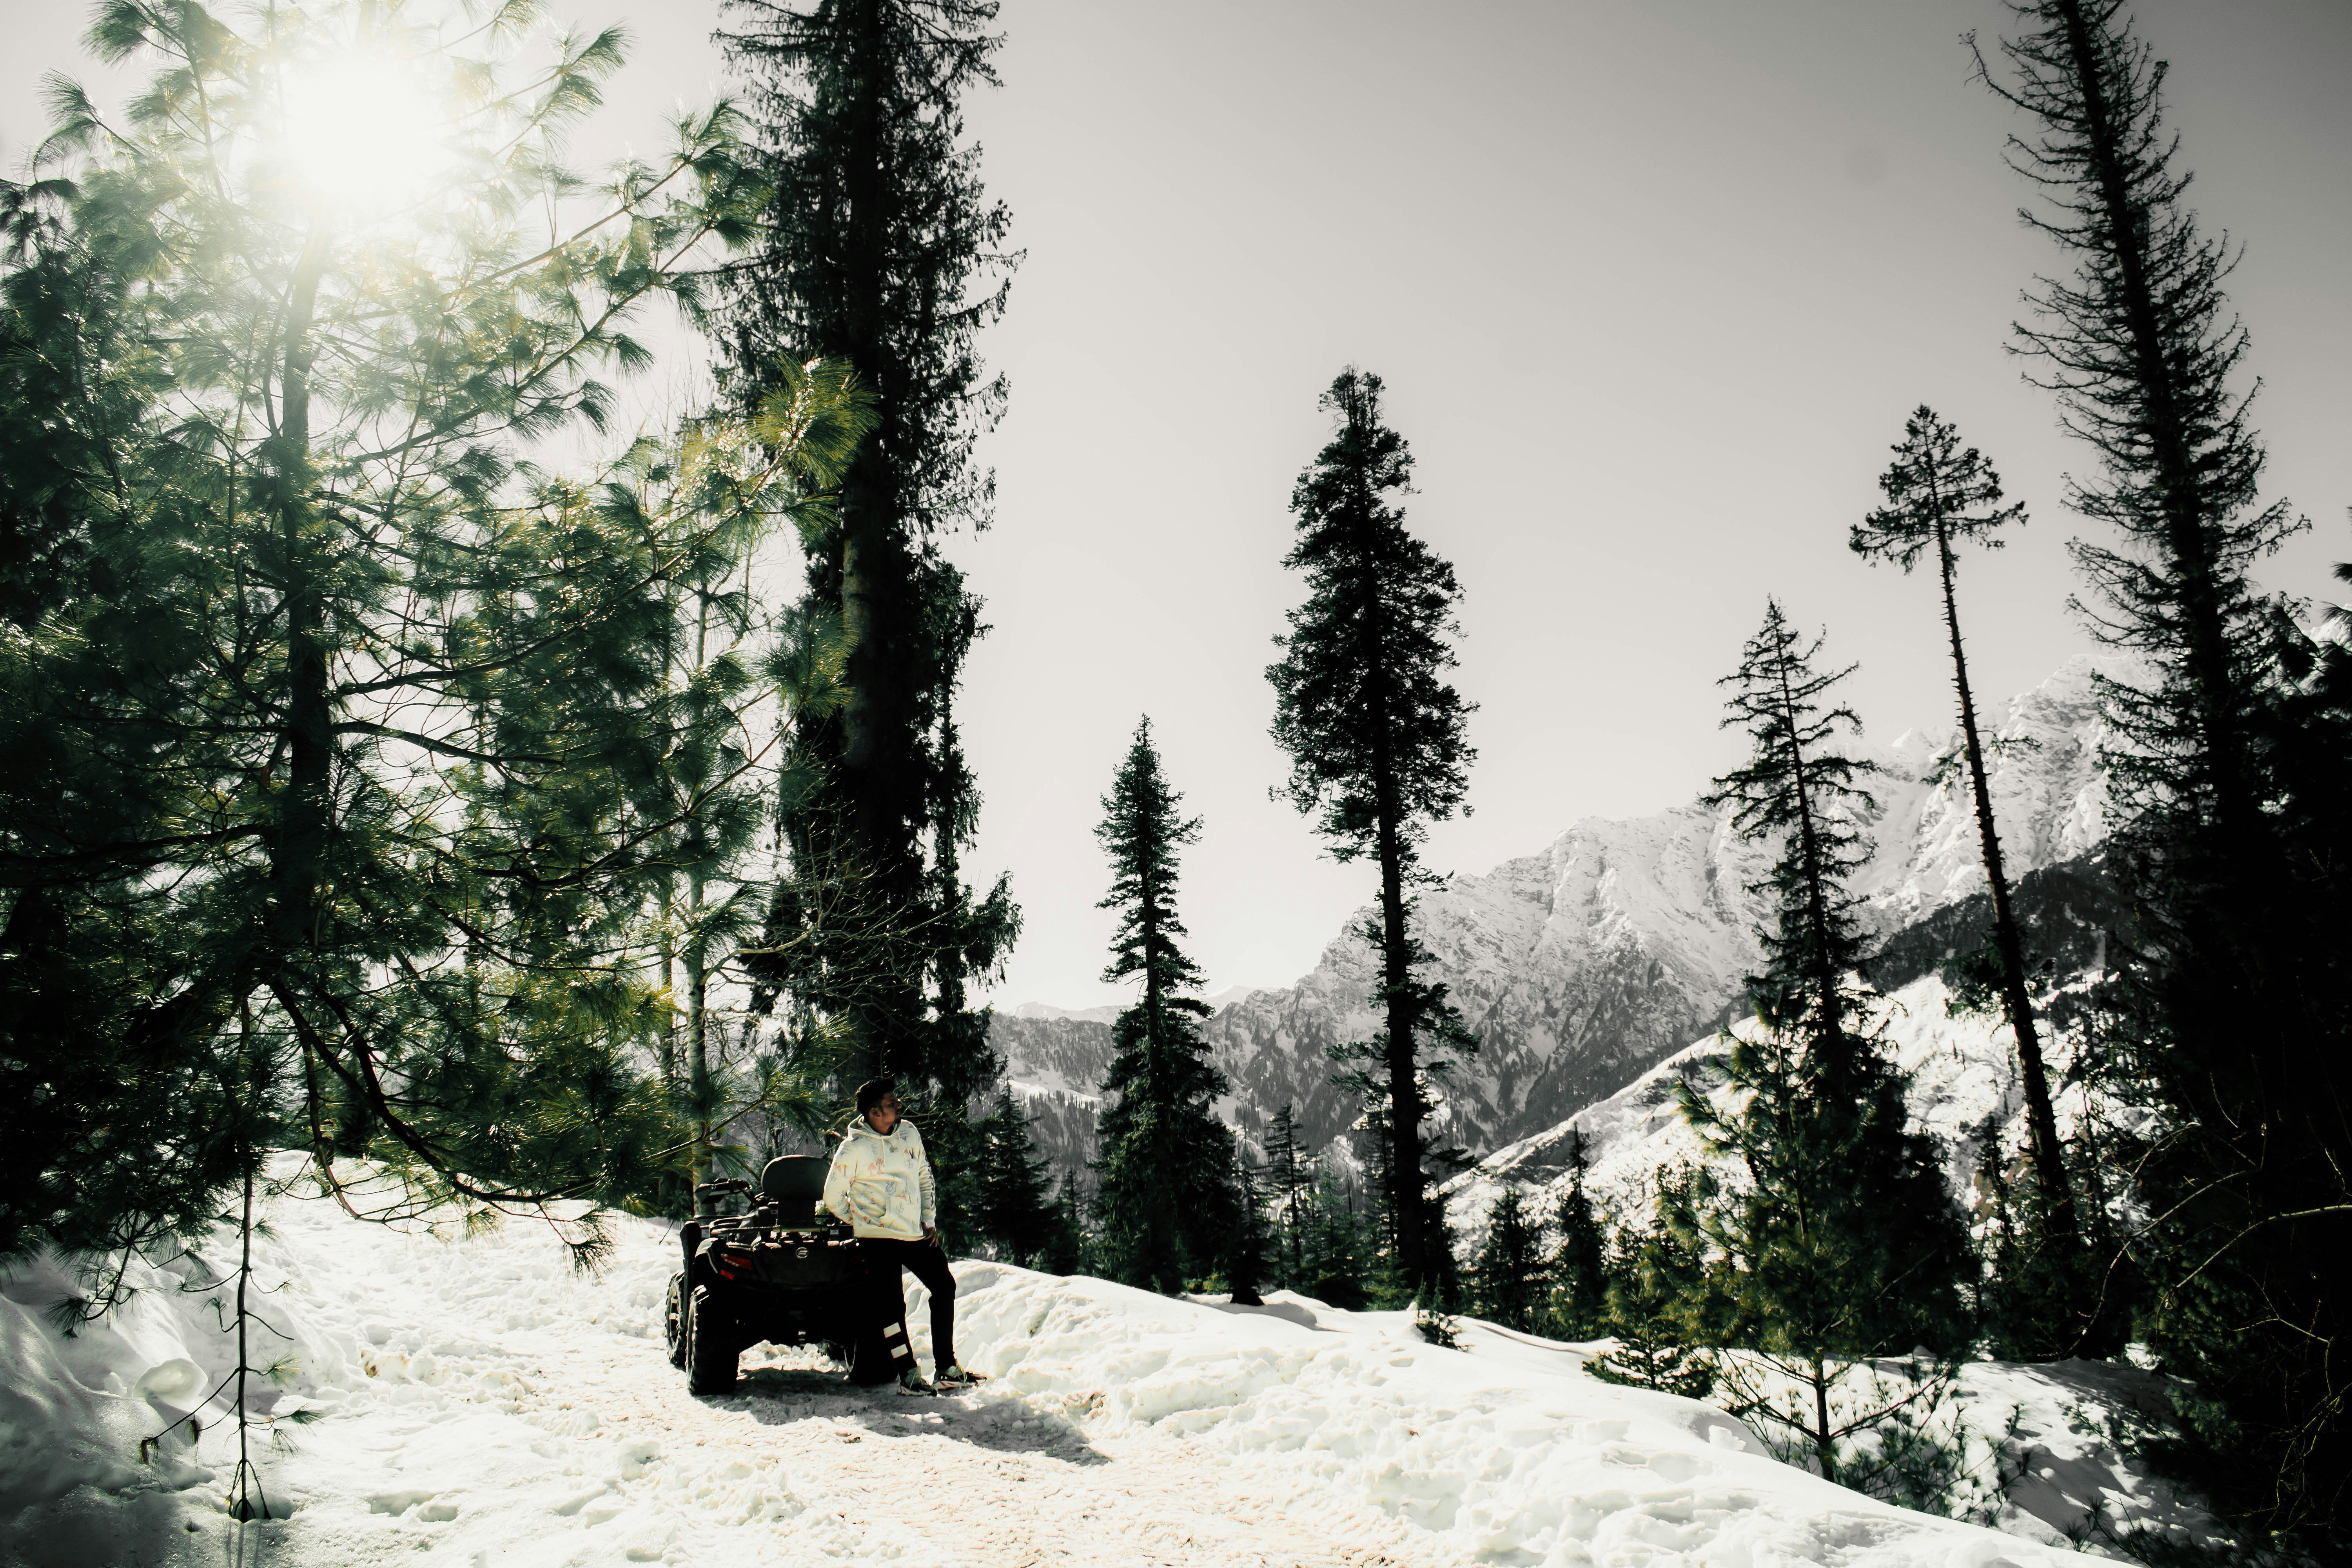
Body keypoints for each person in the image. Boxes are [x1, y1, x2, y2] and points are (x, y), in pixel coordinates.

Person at [822, 1079, 978, 1392]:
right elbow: (832, 1196)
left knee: (944, 1286)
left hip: (913, 1231)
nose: (899, 1107)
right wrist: (861, 1221)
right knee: (892, 1307)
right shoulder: (853, 1149)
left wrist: (928, 1219)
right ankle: (908, 1374)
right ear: (875, 1112)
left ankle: (946, 1367)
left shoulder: (908, 1133)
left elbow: (924, 1173)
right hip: (876, 1238)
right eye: (892, 1103)